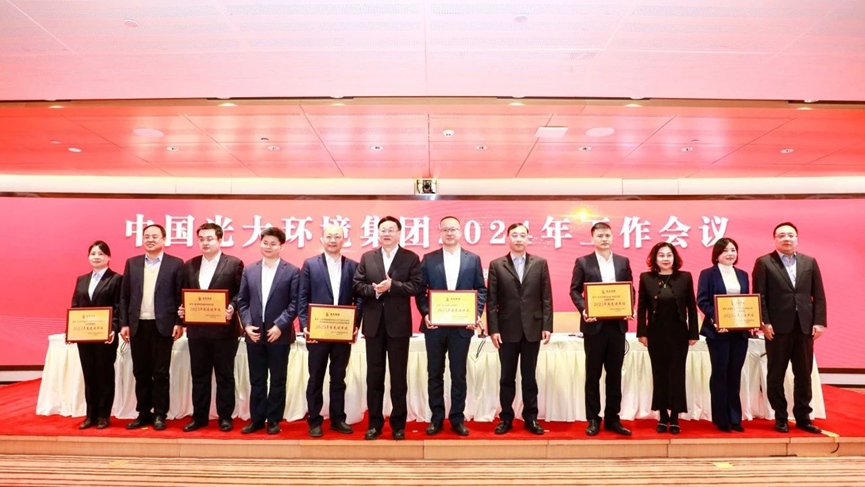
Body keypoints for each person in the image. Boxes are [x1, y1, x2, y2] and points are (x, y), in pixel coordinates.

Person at [415, 216, 487, 437]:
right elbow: (420, 290)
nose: (449, 233)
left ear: (460, 232)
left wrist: (476, 314)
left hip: (461, 328)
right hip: (435, 327)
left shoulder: (472, 259)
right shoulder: (429, 259)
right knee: (434, 374)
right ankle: (436, 418)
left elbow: (480, 289)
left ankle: (457, 418)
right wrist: (426, 313)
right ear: (440, 232)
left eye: (453, 229)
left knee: (459, 374)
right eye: (445, 229)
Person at [753, 222, 826, 434]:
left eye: (790, 235)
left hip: (804, 327)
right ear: (774, 239)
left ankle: (803, 417)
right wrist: (764, 322)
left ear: (797, 239)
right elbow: (759, 295)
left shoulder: (809, 262)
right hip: (776, 329)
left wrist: (819, 321)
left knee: (803, 374)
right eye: (782, 235)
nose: (786, 238)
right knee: (775, 374)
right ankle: (781, 417)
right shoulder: (764, 262)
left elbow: (819, 295)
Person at [352, 216, 422, 441]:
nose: (387, 233)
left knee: (398, 376)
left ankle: (398, 425)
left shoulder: (410, 257)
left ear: (399, 233)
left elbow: (417, 286)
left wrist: (393, 286)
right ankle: (374, 424)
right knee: (374, 376)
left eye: (391, 230)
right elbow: (357, 285)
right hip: (373, 325)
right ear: (378, 233)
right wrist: (375, 291)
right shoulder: (368, 257)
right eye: (383, 230)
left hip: (398, 326)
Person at [177, 223, 244, 433]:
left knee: (225, 376)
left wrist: (232, 306)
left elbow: (241, 293)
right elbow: (184, 293)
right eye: (201, 239)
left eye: (209, 239)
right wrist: (182, 310)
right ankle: (199, 417)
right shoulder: (190, 265)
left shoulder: (233, 264)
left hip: (225, 332)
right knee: (199, 376)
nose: (205, 243)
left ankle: (225, 417)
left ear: (220, 240)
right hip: (197, 332)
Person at [298, 224, 363, 438]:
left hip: (342, 333)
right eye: (329, 236)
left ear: (344, 240)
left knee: (338, 377)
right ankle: (314, 421)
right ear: (322, 239)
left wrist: (355, 325)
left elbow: (359, 298)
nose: (333, 240)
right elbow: (302, 297)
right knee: (315, 377)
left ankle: (338, 419)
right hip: (318, 332)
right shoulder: (310, 265)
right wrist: (305, 326)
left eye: (337, 236)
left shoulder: (353, 266)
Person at [487, 223, 552, 436]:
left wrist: (547, 325)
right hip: (506, 330)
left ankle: (531, 418)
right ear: (508, 238)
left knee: (529, 377)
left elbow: (546, 297)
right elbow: (491, 301)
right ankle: (506, 418)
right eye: (514, 235)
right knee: (507, 377)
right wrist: (493, 329)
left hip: (533, 328)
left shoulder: (540, 263)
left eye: (522, 235)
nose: (518, 239)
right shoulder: (497, 265)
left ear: (528, 238)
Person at [568, 222, 633, 436]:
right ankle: (593, 419)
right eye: (600, 236)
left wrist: (629, 307)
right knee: (593, 375)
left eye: (607, 235)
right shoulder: (583, 262)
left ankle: (613, 418)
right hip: (593, 327)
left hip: (617, 326)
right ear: (592, 239)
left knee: (615, 375)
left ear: (612, 237)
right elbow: (574, 290)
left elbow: (630, 289)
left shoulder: (623, 261)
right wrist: (584, 309)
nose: (604, 239)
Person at [120, 224, 184, 431]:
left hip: (163, 325)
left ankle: (160, 414)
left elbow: (180, 295)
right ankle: (143, 413)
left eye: (155, 236)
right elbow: (124, 296)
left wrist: (179, 322)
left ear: (164, 239)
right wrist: (124, 323)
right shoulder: (133, 263)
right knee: (141, 371)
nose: (150, 240)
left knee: (161, 372)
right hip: (138, 325)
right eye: (146, 236)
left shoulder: (176, 264)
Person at [236, 227, 299, 435]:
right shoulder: (249, 270)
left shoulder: (292, 271)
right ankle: (256, 420)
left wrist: (280, 325)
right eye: (265, 243)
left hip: (279, 334)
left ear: (281, 246)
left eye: (273, 244)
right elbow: (242, 301)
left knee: (278, 379)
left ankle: (273, 420)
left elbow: (294, 303)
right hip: (254, 333)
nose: (268, 247)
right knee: (257, 379)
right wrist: (246, 325)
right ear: (260, 243)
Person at [636, 242, 698, 434]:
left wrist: (693, 333)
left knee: (677, 374)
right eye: (661, 255)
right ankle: (663, 415)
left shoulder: (685, 277)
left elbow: (692, 307)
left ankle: (675, 416)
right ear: (655, 259)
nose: (665, 258)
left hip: (679, 334)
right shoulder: (646, 278)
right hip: (655, 333)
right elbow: (642, 308)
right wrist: (642, 333)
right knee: (660, 374)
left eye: (669, 255)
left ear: (674, 257)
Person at [697, 238, 751, 433]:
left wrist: (750, 321)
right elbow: (702, 300)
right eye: (725, 250)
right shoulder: (707, 274)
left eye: (733, 250)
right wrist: (717, 320)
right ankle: (721, 418)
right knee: (720, 373)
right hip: (717, 332)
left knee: (735, 373)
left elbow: (747, 303)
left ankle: (735, 417)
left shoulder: (743, 274)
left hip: (739, 332)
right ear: (717, 254)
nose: (730, 254)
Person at [70, 241, 122, 430]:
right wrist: (72, 329)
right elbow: (75, 306)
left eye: (101, 254)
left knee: (104, 375)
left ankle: (103, 415)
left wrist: (113, 329)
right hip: (85, 337)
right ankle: (90, 415)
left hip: (106, 336)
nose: (96, 257)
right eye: (93, 253)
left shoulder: (116, 279)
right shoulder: (82, 280)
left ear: (108, 257)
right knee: (89, 374)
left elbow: (119, 308)